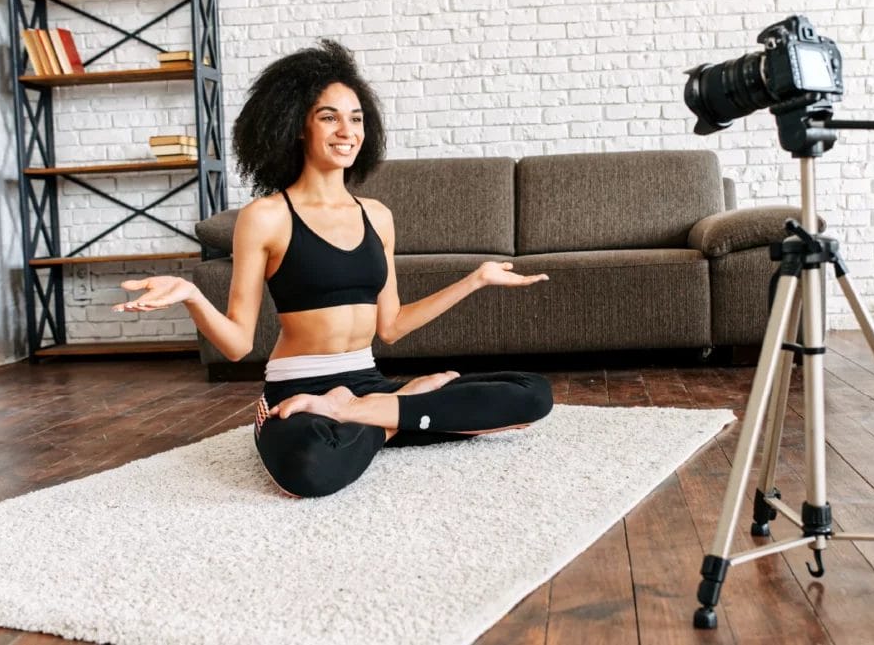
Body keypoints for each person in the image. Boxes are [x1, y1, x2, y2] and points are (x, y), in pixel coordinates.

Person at [113, 40, 553, 498]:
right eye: (329, 117)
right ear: (297, 126)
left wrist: (475, 279)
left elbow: (392, 326)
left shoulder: (377, 215)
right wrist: (191, 293)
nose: (348, 131)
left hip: (367, 382)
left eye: (356, 118)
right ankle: (391, 414)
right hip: (297, 390)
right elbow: (239, 345)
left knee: (532, 393)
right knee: (311, 467)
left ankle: (364, 412)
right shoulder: (266, 216)